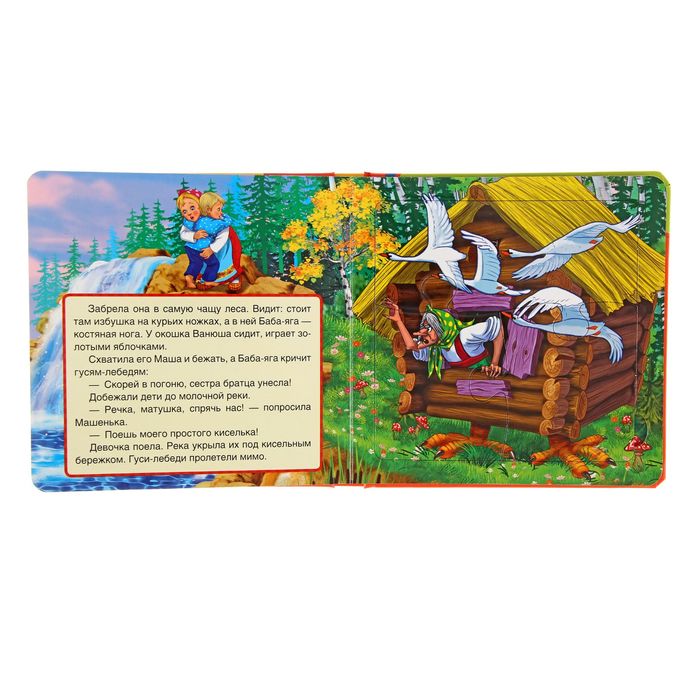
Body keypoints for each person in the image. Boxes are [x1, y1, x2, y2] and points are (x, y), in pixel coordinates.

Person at [386, 299, 504, 379]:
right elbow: (412, 346)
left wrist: (494, 363)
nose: (424, 332)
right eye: (423, 327)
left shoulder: (466, 336)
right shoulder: (439, 349)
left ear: (441, 327)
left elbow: (498, 328)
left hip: (488, 379)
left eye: (429, 328)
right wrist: (399, 321)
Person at [178, 190, 243, 293]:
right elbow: (183, 233)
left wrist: (212, 249)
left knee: (223, 259)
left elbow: (222, 237)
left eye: (192, 208)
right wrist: (193, 236)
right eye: (185, 211)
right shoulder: (194, 218)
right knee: (206, 263)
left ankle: (231, 277)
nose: (189, 212)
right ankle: (205, 279)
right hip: (202, 248)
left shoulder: (219, 221)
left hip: (221, 247)